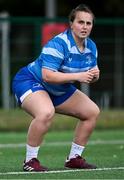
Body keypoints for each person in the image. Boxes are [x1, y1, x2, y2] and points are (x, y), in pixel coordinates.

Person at [12, 3, 100, 172]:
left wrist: (94, 76)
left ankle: (74, 158)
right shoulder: (58, 44)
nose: (85, 27)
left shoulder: (92, 47)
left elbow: (91, 75)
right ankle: (30, 161)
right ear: (71, 24)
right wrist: (78, 76)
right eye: (80, 22)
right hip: (30, 81)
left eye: (88, 23)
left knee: (92, 112)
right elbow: (47, 76)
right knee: (45, 112)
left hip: (58, 88)